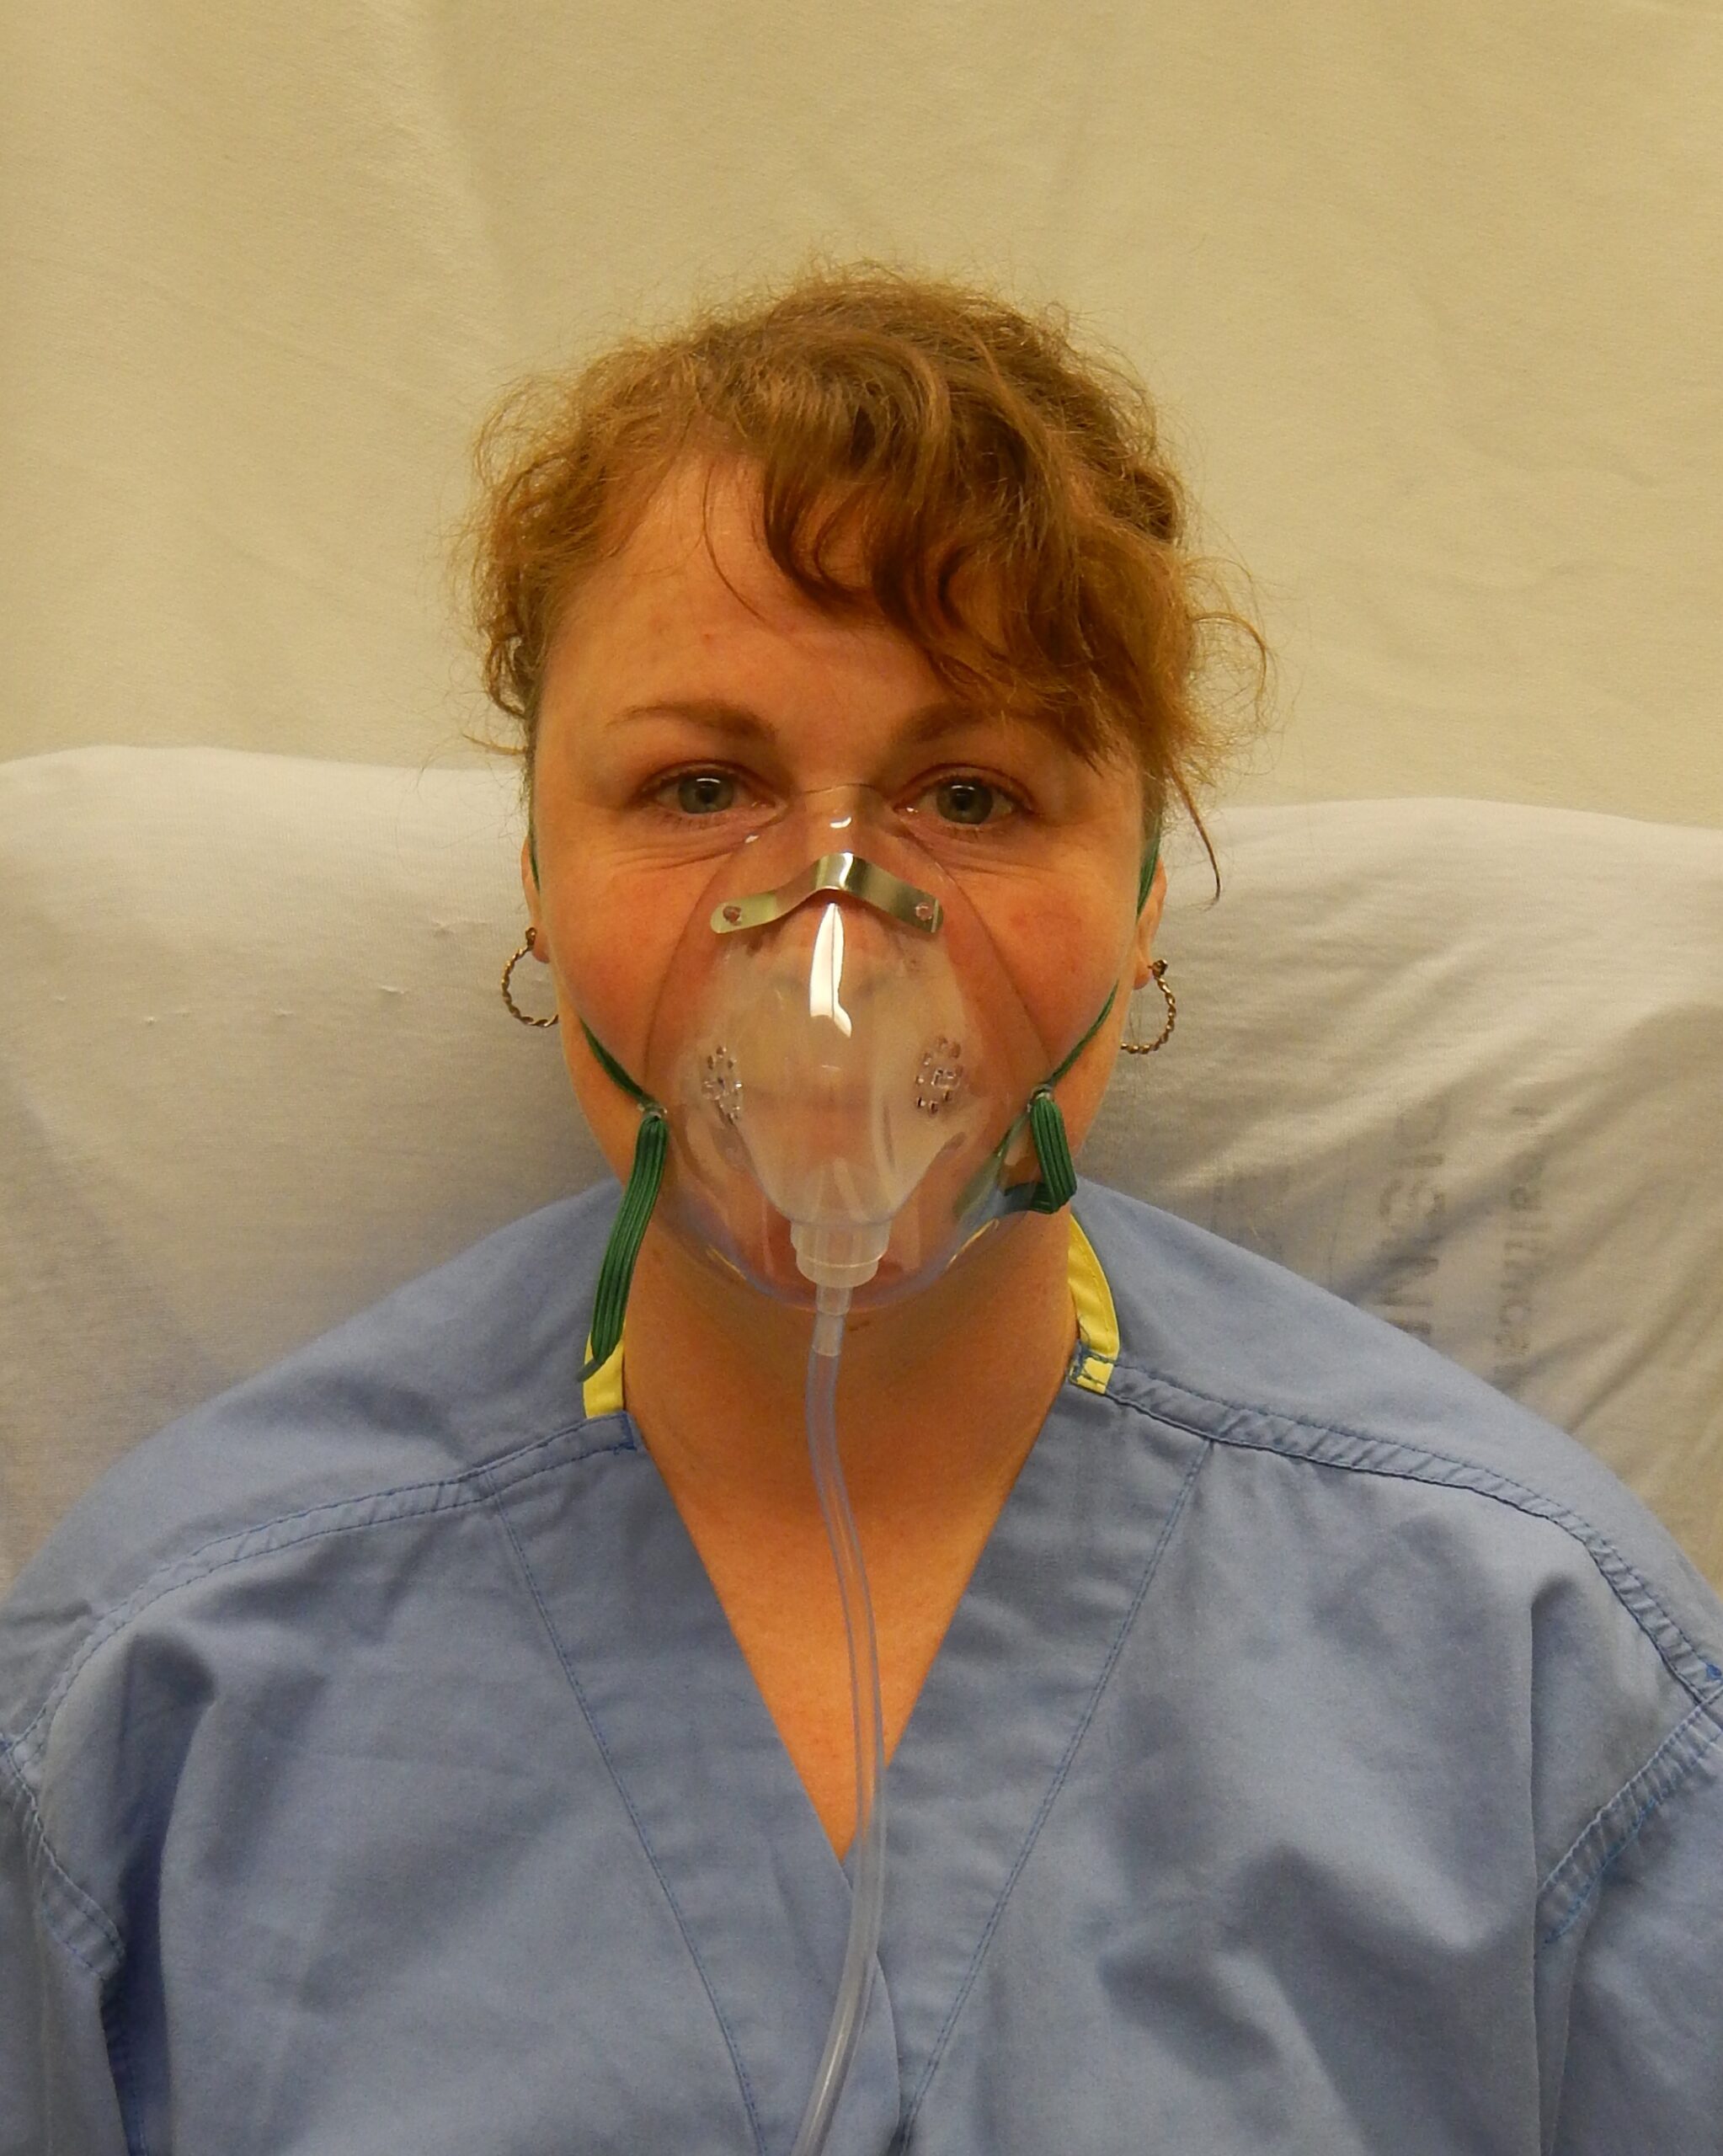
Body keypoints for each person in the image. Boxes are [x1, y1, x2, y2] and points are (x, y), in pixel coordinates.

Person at [3, 265, 1720, 2156]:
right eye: (700, 784)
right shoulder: (159, 1698)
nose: (833, 924)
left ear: (1146, 899)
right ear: (538, 879)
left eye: (971, 795)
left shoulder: (1533, 1677)